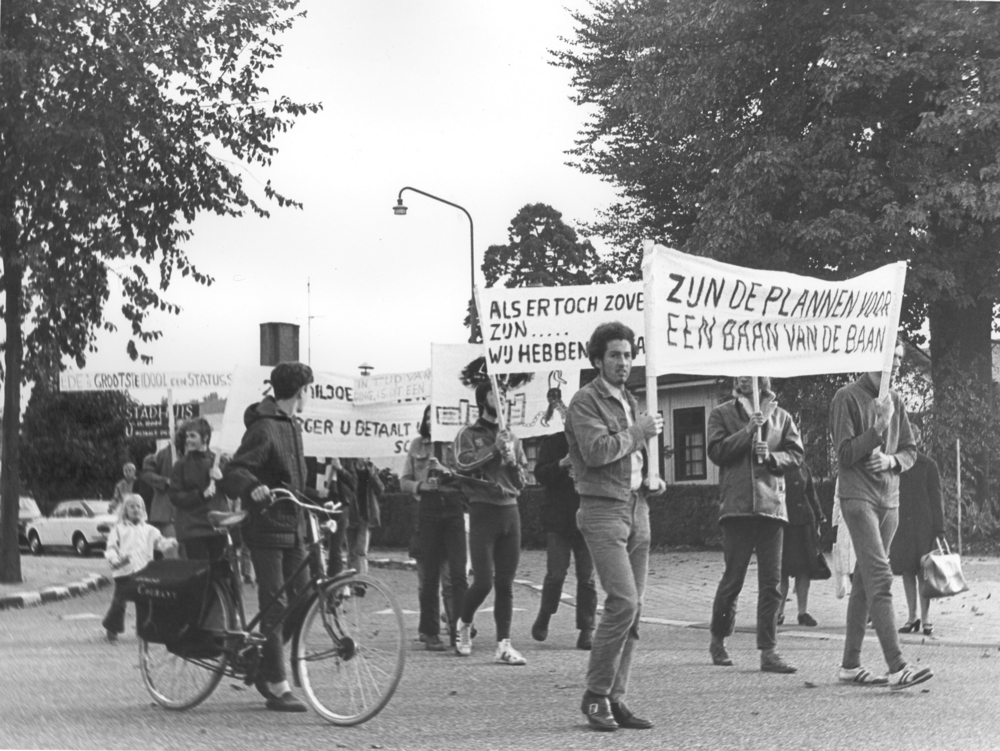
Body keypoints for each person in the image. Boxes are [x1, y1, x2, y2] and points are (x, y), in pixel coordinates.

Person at [565, 321, 665, 732]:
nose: (623, 362)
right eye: (614, 355)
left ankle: (615, 697)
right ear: (597, 360)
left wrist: (650, 479)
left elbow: (631, 457)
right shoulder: (585, 401)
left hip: (637, 507)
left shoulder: (630, 399)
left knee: (634, 609)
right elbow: (596, 451)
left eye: (627, 355)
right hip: (603, 510)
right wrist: (639, 431)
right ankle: (595, 694)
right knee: (623, 601)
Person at [219, 361, 324, 712]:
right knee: (275, 604)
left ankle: (264, 658)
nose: (309, 395)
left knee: (305, 597)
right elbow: (235, 470)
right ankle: (277, 683)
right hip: (265, 527)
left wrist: (320, 498)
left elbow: (290, 481)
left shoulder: (292, 425)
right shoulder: (264, 427)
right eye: (308, 389)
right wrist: (253, 486)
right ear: (299, 392)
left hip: (293, 527)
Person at [830, 339, 933, 689]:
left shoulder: (896, 400)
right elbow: (845, 455)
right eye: (893, 357)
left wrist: (891, 460)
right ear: (873, 357)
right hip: (858, 499)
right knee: (879, 576)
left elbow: (910, 451)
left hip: (890, 502)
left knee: (864, 581)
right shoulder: (846, 397)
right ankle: (897, 666)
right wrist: (877, 429)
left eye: (900, 358)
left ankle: (850, 665)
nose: (899, 364)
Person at [707, 376, 804, 674]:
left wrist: (772, 457)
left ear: (763, 378)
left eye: (750, 373)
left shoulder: (781, 416)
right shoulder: (722, 413)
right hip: (737, 508)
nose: (744, 378)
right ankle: (718, 638)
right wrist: (747, 432)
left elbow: (796, 454)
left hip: (771, 507)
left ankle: (768, 651)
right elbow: (716, 452)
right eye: (740, 374)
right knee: (733, 579)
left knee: (772, 583)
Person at [451, 380, 529, 665]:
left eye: (505, 394)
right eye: (496, 394)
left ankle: (504, 645)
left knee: (505, 583)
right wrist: (494, 450)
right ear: (483, 399)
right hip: (482, 511)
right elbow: (461, 464)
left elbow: (522, 482)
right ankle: (463, 623)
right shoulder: (468, 434)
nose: (502, 398)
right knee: (483, 582)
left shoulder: (512, 437)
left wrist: (513, 462)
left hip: (510, 512)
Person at [401, 405, 468, 651]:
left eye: (435, 415)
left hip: (453, 510)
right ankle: (430, 632)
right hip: (427, 512)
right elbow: (404, 481)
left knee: (456, 576)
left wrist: (446, 470)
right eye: (427, 417)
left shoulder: (457, 443)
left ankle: (459, 630)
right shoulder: (417, 445)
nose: (431, 420)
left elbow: (468, 477)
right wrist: (420, 487)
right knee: (429, 576)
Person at [531, 430, 597, 651]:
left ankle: (587, 629)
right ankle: (545, 614)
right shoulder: (553, 442)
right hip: (558, 519)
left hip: (587, 517)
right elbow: (540, 474)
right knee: (556, 574)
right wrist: (561, 464)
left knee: (587, 577)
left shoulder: (593, 439)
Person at [890, 425, 944, 637]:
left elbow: (936, 499)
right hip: (901, 526)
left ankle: (926, 618)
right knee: (906, 571)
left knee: (924, 572)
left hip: (923, 527)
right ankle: (912, 617)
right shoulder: (895, 465)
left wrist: (939, 530)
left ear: (918, 440)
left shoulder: (928, 465)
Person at [102, 493, 178, 642]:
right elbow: (111, 547)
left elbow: (160, 543)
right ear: (125, 510)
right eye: (132, 506)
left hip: (144, 571)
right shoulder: (118, 529)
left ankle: (145, 631)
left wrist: (171, 542)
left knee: (144, 602)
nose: (135, 509)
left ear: (143, 510)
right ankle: (112, 629)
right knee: (119, 602)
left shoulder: (150, 530)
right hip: (124, 571)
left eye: (139, 506)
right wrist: (114, 558)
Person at [168, 417, 227, 561]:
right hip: (193, 528)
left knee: (219, 571)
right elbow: (175, 496)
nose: (188, 440)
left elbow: (234, 492)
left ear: (205, 437)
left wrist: (222, 479)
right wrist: (200, 495)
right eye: (187, 436)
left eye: (192, 436)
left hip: (217, 525)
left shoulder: (220, 461)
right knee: (199, 571)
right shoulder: (181, 465)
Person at [776, 463, 827, 627]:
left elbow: (811, 492)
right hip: (783, 522)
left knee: (804, 569)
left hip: (805, 522)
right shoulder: (775, 462)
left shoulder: (803, 465)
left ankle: (802, 613)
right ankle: (778, 612)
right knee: (782, 570)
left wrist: (818, 517)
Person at [337, 457, 383, 576]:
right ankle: (353, 581)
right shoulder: (349, 467)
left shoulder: (371, 469)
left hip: (365, 516)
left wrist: (371, 474)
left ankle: (361, 580)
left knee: (361, 551)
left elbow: (380, 489)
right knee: (351, 552)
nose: (364, 458)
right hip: (351, 514)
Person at [143, 440, 177, 548]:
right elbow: (148, 475)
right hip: (164, 514)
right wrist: (166, 481)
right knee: (169, 549)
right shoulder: (161, 455)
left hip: (184, 515)